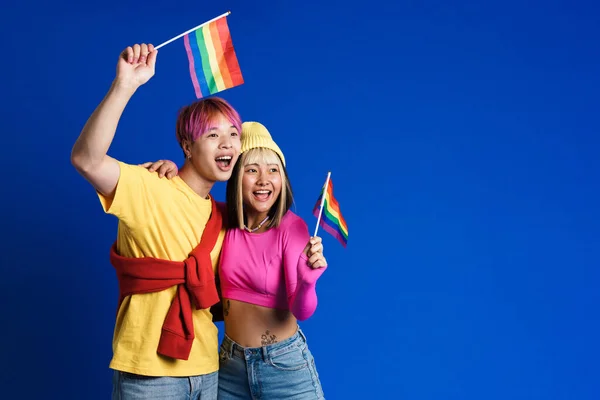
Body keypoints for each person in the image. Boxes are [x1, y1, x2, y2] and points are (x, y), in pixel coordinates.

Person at [70, 42, 242, 399]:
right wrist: (126, 85)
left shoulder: (226, 217)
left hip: (208, 368)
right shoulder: (150, 187)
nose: (227, 143)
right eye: (213, 135)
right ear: (187, 146)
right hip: (148, 374)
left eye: (233, 134)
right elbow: (86, 159)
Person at [144, 121, 328, 399]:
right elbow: (188, 198)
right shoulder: (220, 219)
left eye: (273, 170)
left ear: (283, 178)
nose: (264, 180)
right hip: (229, 366)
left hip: (283, 366)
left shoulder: (293, 228)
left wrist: (307, 282)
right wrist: (172, 173)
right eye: (252, 170)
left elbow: (302, 311)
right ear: (236, 176)